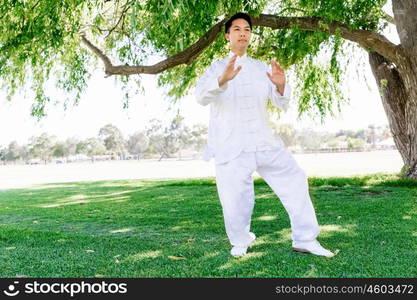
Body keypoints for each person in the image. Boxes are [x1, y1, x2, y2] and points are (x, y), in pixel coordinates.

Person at [195, 12, 334, 258]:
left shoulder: (261, 68)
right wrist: (222, 80)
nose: (242, 33)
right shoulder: (216, 68)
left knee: (295, 179)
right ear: (228, 35)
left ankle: (305, 239)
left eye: (247, 29)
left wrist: (280, 84)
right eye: (237, 29)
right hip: (231, 145)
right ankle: (240, 240)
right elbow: (201, 97)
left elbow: (281, 103)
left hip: (264, 141)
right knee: (235, 198)